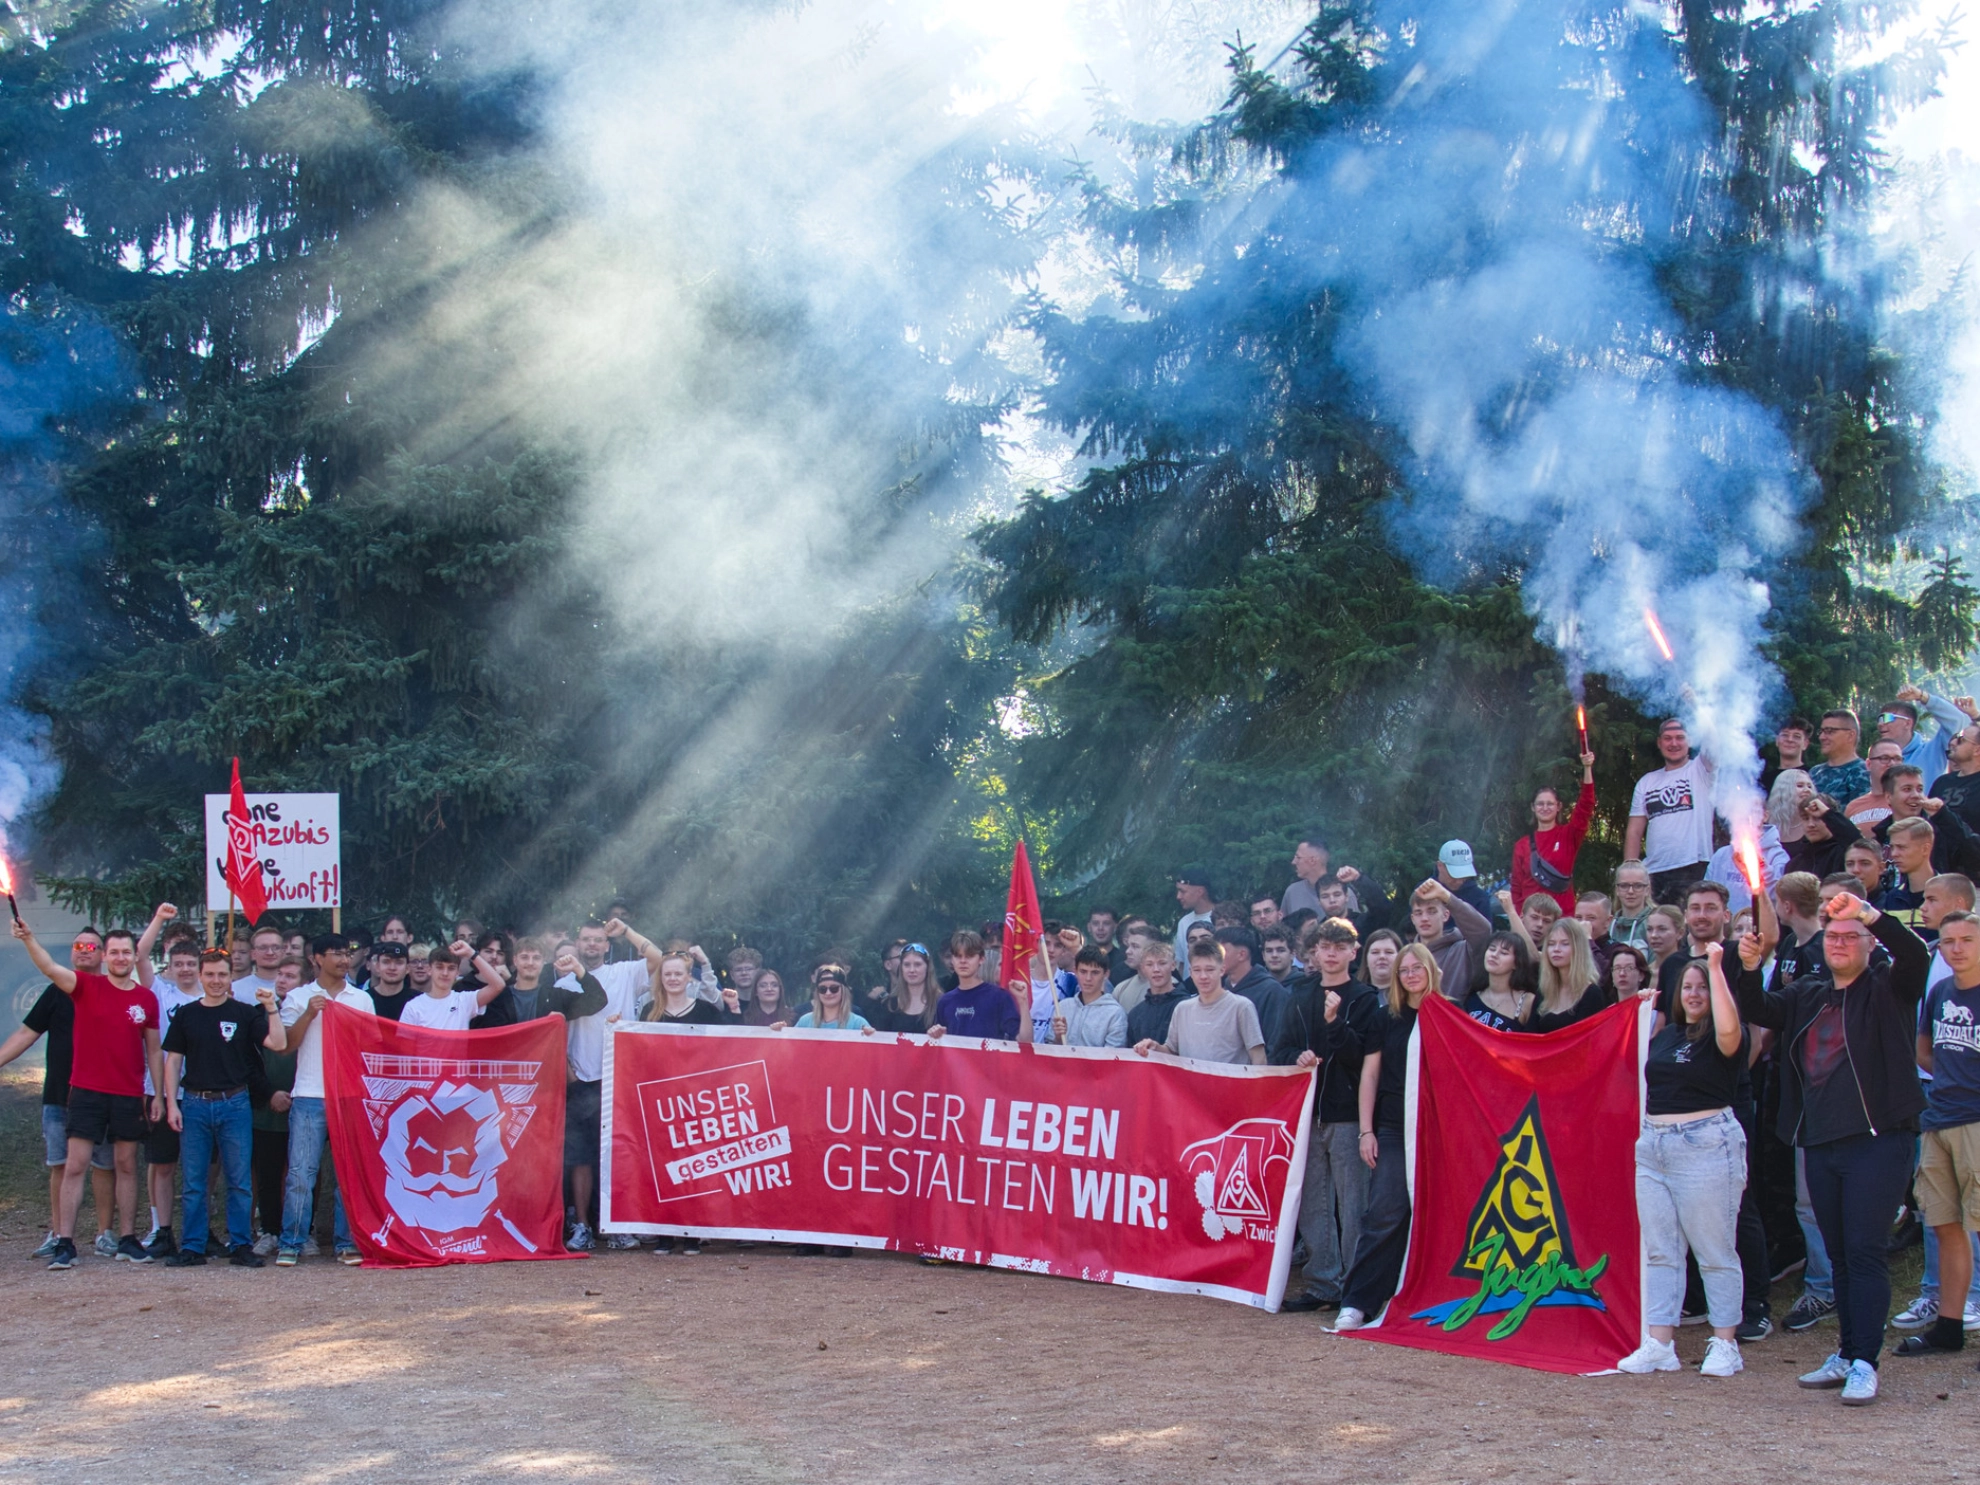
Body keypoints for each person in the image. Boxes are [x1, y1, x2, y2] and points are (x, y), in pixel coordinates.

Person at [1732, 892, 1931, 1404]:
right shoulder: (1806, 993)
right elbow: (1757, 1007)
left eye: (1851, 937)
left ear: (1868, 944)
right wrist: (1749, 967)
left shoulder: (1888, 989)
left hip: (1878, 1141)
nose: (1840, 944)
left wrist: (1870, 913)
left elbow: (1915, 955)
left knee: (1864, 1252)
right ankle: (1846, 1352)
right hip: (1818, 1143)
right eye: (1834, 937)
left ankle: (1865, 1361)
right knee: (1839, 1254)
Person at [1618, 945, 1751, 1378]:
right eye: (1687, 987)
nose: (1694, 994)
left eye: (1703, 988)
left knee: (1714, 1250)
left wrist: (1714, 967)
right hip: (1654, 1145)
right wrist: (1634, 1013)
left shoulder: (1724, 1032)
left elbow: (1731, 1033)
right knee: (1661, 1250)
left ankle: (1725, 1343)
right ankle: (1659, 1343)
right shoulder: (1670, 1033)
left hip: (1707, 1143)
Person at [11, 920, 167, 1269]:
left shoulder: (146, 998)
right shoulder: (84, 986)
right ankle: (65, 1243)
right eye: (114, 952)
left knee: (126, 1165)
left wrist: (157, 1094)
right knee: (76, 1165)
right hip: (86, 1093)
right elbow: (49, 968)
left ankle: (127, 1239)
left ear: (135, 955)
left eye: (127, 952)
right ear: (105, 956)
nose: (121, 957)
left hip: (128, 1095)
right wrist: (29, 939)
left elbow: (154, 1050)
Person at [1331, 943, 1440, 1331]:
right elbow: (1370, 1077)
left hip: (1438, 1131)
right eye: (1404, 970)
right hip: (1393, 1129)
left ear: (1430, 970)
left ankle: (1425, 1299)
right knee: (1383, 1213)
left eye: (1417, 968)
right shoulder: (1385, 1017)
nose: (1410, 975)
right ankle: (1358, 1301)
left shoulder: (1450, 1014)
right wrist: (1366, 1130)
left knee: (1437, 1218)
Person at [1277, 918, 1382, 1312]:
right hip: (1305, 1113)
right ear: (1315, 952)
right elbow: (1280, 1048)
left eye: (1340, 946)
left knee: (1354, 1201)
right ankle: (1323, 1282)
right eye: (1325, 946)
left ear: (1354, 952)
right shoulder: (1299, 993)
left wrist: (1335, 1024)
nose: (1332, 953)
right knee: (1312, 1202)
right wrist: (1295, 1057)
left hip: (1349, 1114)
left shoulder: (1365, 998)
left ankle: (1356, 1285)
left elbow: (1363, 1058)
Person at [161, 950, 288, 1267]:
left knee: (239, 1180)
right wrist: (170, 1102)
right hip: (194, 1103)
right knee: (193, 1181)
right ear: (201, 977)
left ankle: (241, 1244)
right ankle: (192, 1246)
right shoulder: (187, 1014)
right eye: (210, 975)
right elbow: (173, 1060)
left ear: (231, 978)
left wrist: (271, 1008)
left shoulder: (245, 1014)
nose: (216, 981)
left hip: (234, 1103)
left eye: (222, 975)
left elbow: (278, 1043)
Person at [0, 927, 118, 1259]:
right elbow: (26, 1033)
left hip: (101, 1094)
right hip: (58, 1094)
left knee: (103, 1164)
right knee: (60, 1165)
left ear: (102, 954)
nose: (84, 950)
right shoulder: (55, 993)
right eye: (78, 945)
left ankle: (104, 1233)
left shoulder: (114, 991)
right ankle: (57, 1232)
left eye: (91, 946)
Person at [1894, 909, 1980, 1359]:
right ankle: (1949, 1326)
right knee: (1945, 1225)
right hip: (1939, 1117)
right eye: (1949, 942)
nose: (1958, 948)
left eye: (1967, 939)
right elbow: (1924, 1050)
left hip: (1977, 1122)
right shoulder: (1942, 991)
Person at [274, 934, 373, 1266]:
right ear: (316, 958)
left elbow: (372, 1045)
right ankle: (292, 1242)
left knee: (347, 1173)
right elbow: (286, 1045)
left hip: (348, 1095)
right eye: (337, 954)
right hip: (309, 1095)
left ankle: (346, 1241)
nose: (344, 960)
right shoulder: (299, 997)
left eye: (348, 953)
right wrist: (308, 1015)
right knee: (301, 1173)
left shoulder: (360, 998)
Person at [555, 918, 654, 1251]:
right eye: (586, 940)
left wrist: (626, 930)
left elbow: (657, 958)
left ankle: (618, 1224)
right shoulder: (565, 981)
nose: (592, 945)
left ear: (607, 945)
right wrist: (567, 1067)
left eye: (598, 940)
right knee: (581, 1157)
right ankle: (583, 1225)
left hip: (620, 1076)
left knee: (619, 1154)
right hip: (580, 1077)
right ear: (578, 943)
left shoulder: (624, 972)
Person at [1624, 718, 1716, 903]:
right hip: (1653, 873)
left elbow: (1713, 742)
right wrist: (1629, 874)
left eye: (1680, 738)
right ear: (1659, 743)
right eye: (1667, 738)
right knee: (1655, 929)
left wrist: (1695, 704)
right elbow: (1634, 832)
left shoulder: (1701, 770)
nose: (1674, 743)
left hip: (1693, 866)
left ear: (1689, 741)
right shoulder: (1647, 782)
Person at [1134, 939, 1266, 1065]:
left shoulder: (1241, 1007)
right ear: (1190, 972)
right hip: (1190, 1087)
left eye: (1209, 970)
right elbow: (1171, 1051)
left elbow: (1259, 1058)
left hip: (1231, 1086)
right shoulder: (1182, 1009)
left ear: (1222, 970)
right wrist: (1155, 1047)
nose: (1203, 976)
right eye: (1197, 970)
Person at [1511, 752, 1597, 913]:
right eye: (1540, 804)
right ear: (1533, 807)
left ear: (1558, 807)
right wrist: (1520, 919)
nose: (1545, 808)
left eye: (1550, 804)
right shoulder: (1521, 845)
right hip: (1532, 921)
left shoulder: (1569, 836)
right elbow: (1516, 888)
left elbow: (1586, 805)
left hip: (1562, 920)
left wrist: (1587, 768)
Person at [929, 930, 1031, 1043]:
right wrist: (935, 1034)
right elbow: (939, 1045)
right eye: (958, 956)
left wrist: (1023, 1001)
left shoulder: (999, 997)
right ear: (952, 959)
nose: (963, 961)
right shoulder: (945, 1001)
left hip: (990, 1060)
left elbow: (1025, 1042)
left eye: (969, 956)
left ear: (982, 959)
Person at [1879, 764, 1980, 878]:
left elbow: (1976, 854)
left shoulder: (1940, 832)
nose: (1916, 795)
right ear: (1888, 797)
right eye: (1907, 789)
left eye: (1920, 789)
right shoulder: (1880, 836)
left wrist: (1943, 815)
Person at [398, 941, 509, 1030]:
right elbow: (405, 1047)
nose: (445, 973)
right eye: (439, 967)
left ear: (457, 973)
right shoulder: (413, 1007)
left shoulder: (464, 1001)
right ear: (429, 969)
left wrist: (471, 953)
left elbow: (498, 985)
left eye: (451, 968)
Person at [1879, 685, 1972, 791]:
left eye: (1887, 718)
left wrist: (1922, 696)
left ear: (1908, 723)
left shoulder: (1932, 752)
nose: (1881, 724)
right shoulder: (1876, 759)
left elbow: (1956, 719)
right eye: (1880, 719)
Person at [1408, 877, 1492, 993]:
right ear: (1413, 919)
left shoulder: (1463, 950)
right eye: (1418, 913)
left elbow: (1483, 931)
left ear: (1446, 915)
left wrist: (1447, 897)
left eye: (1432, 911)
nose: (1424, 918)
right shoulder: (1406, 956)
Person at [1217, 925, 1290, 1050]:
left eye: (1221, 951)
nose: (1215, 957)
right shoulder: (1220, 989)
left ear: (1242, 954)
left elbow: (1276, 1043)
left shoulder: (1272, 991)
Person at [1530, 918, 1606, 1031]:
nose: (1556, 949)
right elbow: (1530, 1034)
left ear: (1578, 949)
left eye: (1565, 944)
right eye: (1551, 944)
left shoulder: (1592, 994)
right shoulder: (1544, 990)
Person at [1052, 946, 1127, 1048]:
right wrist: (1058, 1039)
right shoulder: (1062, 1007)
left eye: (1095, 973)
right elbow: (1050, 1051)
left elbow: (1113, 1058)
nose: (1088, 978)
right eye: (1083, 972)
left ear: (1106, 974)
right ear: (1075, 971)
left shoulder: (1115, 1014)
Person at [642, 948, 738, 1025]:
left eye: (678, 974)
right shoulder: (649, 1010)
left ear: (689, 977)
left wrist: (734, 1006)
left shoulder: (706, 1010)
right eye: (667, 974)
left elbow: (730, 1042)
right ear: (661, 978)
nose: (672, 978)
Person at [1123, 940, 1190, 1048]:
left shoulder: (1187, 1006)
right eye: (1149, 964)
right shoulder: (1135, 1014)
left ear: (1173, 965)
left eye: (1162, 963)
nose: (1156, 970)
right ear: (1143, 968)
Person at [1873, 817, 1937, 927]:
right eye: (1892, 847)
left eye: (1901, 847)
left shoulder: (1948, 893)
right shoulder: (1893, 897)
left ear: (1925, 849)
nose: (1894, 854)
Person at [1465, 930, 1536, 1030]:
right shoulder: (1473, 995)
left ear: (1516, 963)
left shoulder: (1527, 1001)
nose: (1494, 955)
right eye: (1492, 949)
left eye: (1504, 953)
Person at [1809, 710, 1871, 805]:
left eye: (1829, 731)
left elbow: (1859, 816)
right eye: (1821, 731)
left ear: (1850, 735)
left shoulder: (1862, 773)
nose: (1822, 737)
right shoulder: (1814, 772)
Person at [1931, 714, 1980, 831]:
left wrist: (1976, 715)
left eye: (1961, 740)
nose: (1953, 742)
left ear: (1977, 750)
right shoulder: (1942, 782)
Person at [1843, 740, 1905, 830]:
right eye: (1885, 758)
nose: (1892, 764)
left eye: (1897, 759)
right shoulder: (1852, 807)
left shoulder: (1909, 802)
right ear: (1868, 764)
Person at [1434, 842, 1493, 920]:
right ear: (1440, 866)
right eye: (1454, 875)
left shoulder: (1480, 898)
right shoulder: (1423, 892)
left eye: (1463, 875)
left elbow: (1486, 931)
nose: (1459, 881)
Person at [1282, 837, 1335, 920]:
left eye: (1298, 858)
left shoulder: (1342, 893)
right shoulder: (1292, 893)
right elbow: (1284, 929)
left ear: (1312, 860)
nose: (1293, 862)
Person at [361, 941, 416, 1020]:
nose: (392, 968)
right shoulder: (363, 999)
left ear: (407, 968)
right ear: (377, 966)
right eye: (386, 962)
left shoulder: (418, 1001)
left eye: (399, 962)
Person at [232, 925, 286, 1003]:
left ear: (283, 952)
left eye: (275, 947)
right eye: (263, 948)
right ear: (253, 954)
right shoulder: (235, 989)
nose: (270, 953)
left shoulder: (296, 987)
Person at [1610, 861, 1656, 951]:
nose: (1630, 891)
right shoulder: (1609, 926)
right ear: (1617, 890)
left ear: (1647, 890)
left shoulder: (1654, 924)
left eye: (1638, 886)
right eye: (1624, 885)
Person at [1763, 717, 1815, 792]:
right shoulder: (1764, 780)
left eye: (1796, 736)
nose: (1790, 740)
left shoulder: (1812, 776)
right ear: (1777, 741)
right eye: (1785, 735)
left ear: (1805, 744)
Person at [1173, 872, 1216, 961]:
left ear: (1200, 892)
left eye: (1183, 891)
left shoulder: (1223, 919)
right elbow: (1181, 963)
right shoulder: (1183, 922)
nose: (1178, 896)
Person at [1643, 904, 1686, 980]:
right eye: (1650, 929)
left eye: (1662, 929)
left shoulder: (1686, 971)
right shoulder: (1643, 973)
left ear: (1680, 933)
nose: (1654, 935)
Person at [1086, 908, 1129, 981]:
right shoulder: (1081, 957)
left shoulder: (1125, 960)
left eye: (1106, 923)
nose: (1100, 928)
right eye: (1096, 923)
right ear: (1089, 927)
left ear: (1115, 927)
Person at [1843, 837, 1889, 904]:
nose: (1856, 870)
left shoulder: (1892, 907)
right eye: (1850, 864)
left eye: (1865, 863)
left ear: (1880, 868)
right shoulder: (1835, 904)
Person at [1361, 929, 1401, 1000]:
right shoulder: (1353, 995)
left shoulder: (1410, 998)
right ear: (1366, 959)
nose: (1382, 956)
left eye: (1389, 952)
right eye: (1375, 952)